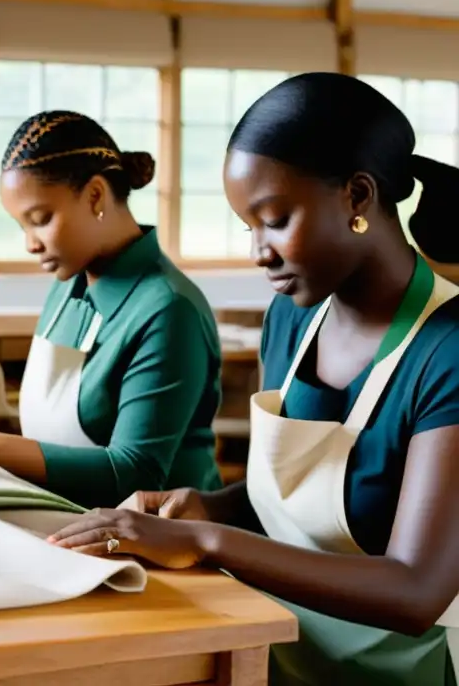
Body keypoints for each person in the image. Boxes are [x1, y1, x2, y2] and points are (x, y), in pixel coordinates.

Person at [46, 73, 459, 685]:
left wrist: (208, 541)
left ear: (357, 197)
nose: (257, 251)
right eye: (248, 227)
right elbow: (304, 495)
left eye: (275, 219)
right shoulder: (291, 320)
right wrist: (209, 508)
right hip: (281, 642)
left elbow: (414, 590)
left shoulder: (447, 352)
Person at [0, 111, 224, 509]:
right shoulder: (67, 286)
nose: (30, 244)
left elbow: (135, 473)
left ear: (95, 196)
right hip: (68, 515)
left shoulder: (169, 311)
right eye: (22, 227)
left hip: (160, 545)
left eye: (41, 220)